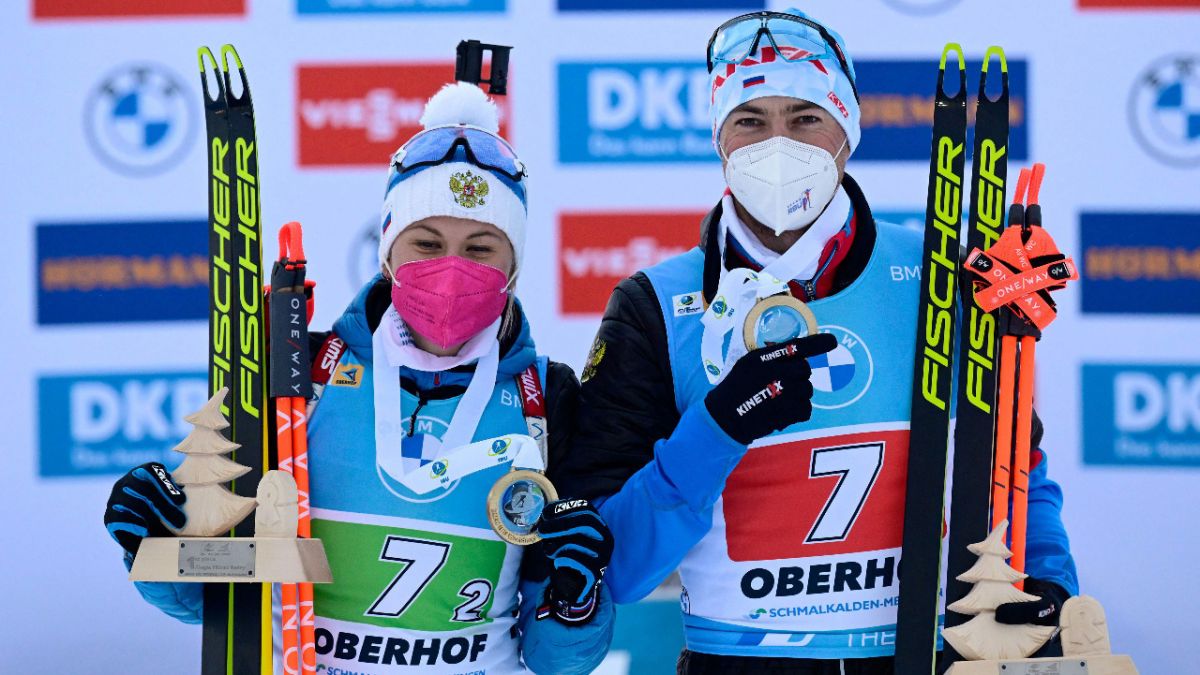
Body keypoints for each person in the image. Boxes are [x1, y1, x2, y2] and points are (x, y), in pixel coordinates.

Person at [557, 9, 1077, 674]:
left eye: (805, 118)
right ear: (720, 138)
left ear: (846, 131)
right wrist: (714, 431)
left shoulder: (940, 276)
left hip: (923, 654)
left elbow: (1011, 466)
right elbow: (618, 567)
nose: (778, 144)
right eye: (750, 121)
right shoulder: (655, 307)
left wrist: (1047, 584)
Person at [104, 82, 614, 675]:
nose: (451, 270)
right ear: (388, 254)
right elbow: (213, 593)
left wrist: (575, 602)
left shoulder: (547, 401)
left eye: (480, 250)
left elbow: (557, 659)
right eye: (426, 244)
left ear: (514, 268)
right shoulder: (299, 371)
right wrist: (158, 541)